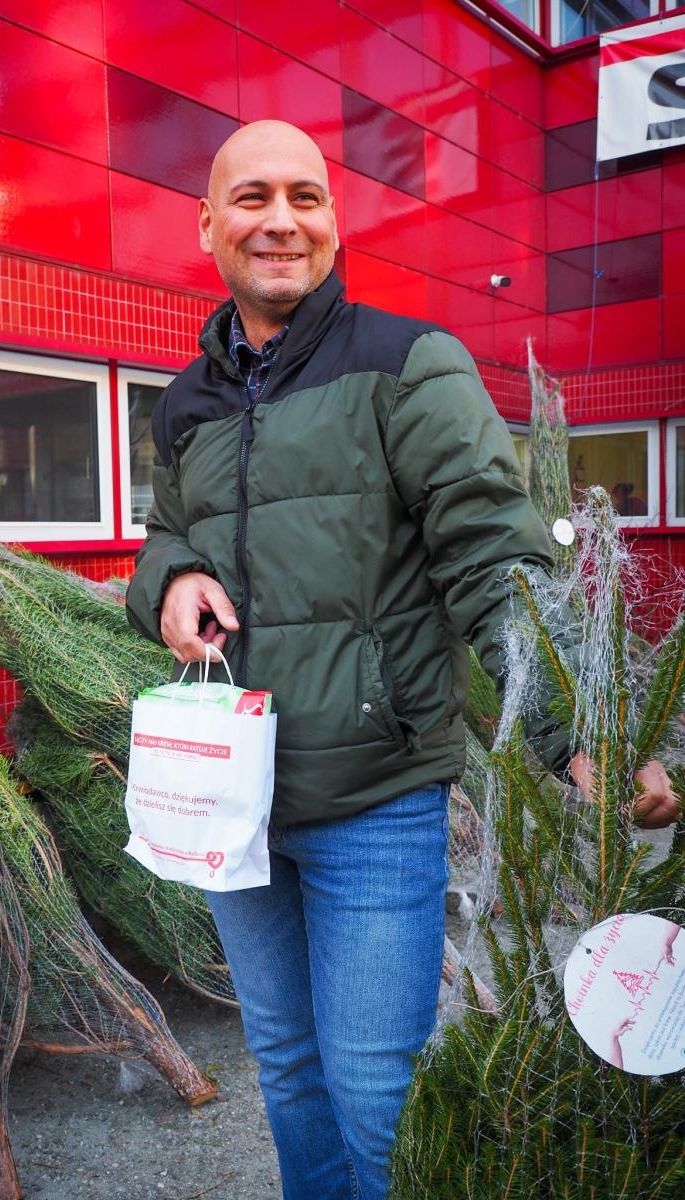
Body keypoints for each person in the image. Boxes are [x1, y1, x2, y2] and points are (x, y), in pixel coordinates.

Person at [125, 121, 680, 1200]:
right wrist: (168, 582)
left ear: (334, 221)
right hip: (234, 807)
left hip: (372, 797)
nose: (279, 219)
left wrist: (579, 735)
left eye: (303, 196)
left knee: (379, 1088)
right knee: (284, 1071)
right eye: (250, 198)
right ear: (206, 226)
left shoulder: (406, 364)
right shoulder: (184, 403)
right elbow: (165, 536)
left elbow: (493, 556)